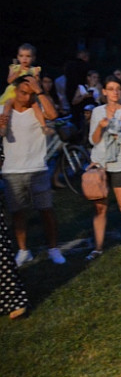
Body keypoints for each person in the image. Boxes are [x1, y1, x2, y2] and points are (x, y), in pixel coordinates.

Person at [0, 75, 65, 266]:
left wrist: (40, 91)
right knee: (18, 213)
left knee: (46, 210)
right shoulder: (5, 109)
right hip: (12, 171)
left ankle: (53, 249)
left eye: (30, 93)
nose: (27, 97)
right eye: (23, 92)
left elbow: (53, 115)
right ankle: (23, 251)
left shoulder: (38, 108)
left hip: (38, 168)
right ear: (15, 90)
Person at [86, 76, 121, 261]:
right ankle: (98, 248)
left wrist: (111, 125)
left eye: (117, 88)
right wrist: (102, 127)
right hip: (101, 164)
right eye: (110, 88)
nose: (114, 92)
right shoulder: (97, 112)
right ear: (104, 91)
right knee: (100, 207)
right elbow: (93, 140)